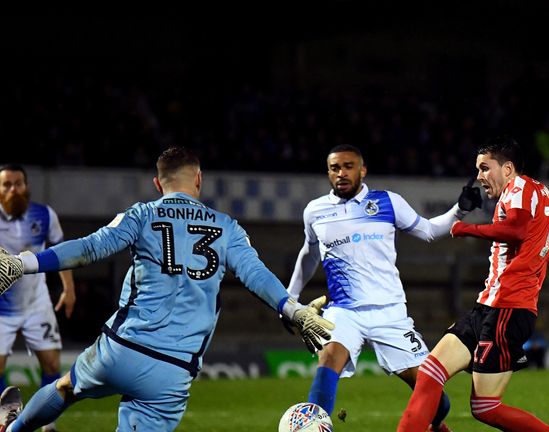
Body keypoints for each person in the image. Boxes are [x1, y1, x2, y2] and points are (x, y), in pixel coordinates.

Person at [0, 147, 333, 431]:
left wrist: (23, 263)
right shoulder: (227, 227)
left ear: (158, 183)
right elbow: (255, 275)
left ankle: (14, 428)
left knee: (65, 387)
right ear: (198, 179)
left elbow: (88, 249)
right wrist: (295, 310)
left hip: (120, 350)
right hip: (172, 371)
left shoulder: (142, 214)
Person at [397, 136, 549, 432]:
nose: (479, 176)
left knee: (485, 407)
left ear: (507, 169)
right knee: (430, 372)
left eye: (484, 168)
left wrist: (465, 228)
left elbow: (517, 229)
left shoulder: (518, 189)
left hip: (508, 310)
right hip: (489, 305)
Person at [287, 144, 483, 432]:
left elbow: (428, 231)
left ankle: (434, 426)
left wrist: (459, 210)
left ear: (362, 170)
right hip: (344, 312)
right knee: (328, 362)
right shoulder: (315, 211)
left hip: (391, 314)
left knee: (437, 399)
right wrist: (290, 299)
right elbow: (309, 254)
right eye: (334, 168)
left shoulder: (388, 202)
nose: (341, 173)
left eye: (348, 166)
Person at [0, 164, 76, 432]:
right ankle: (5, 418)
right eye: (7, 184)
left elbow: (62, 252)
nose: (13, 189)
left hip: (37, 302)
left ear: (27, 186)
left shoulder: (44, 215)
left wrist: (68, 288)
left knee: (52, 363)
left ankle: (48, 424)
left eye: (18, 183)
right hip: (1, 307)